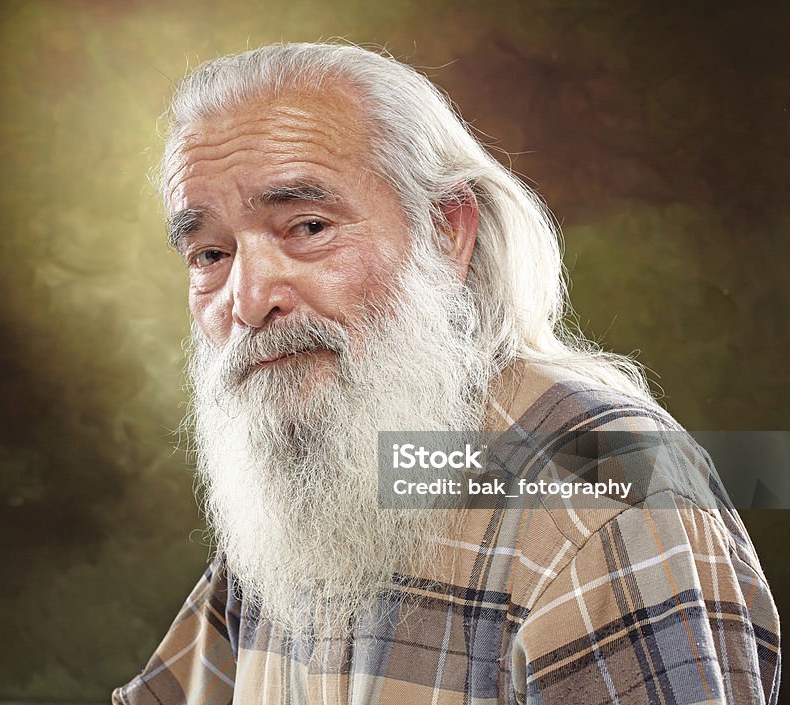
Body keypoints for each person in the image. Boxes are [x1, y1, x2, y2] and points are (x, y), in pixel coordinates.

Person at [113, 42, 780, 704]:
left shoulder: (607, 489)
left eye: (309, 226)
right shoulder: (310, 480)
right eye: (209, 254)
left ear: (444, 230)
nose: (250, 299)